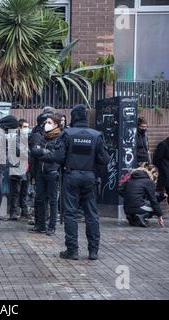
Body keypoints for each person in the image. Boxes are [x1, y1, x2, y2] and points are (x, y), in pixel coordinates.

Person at [44, 105, 109, 261]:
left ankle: (72, 251)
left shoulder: (67, 133)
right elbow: (105, 159)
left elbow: (58, 157)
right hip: (90, 177)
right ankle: (93, 251)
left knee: (70, 214)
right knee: (92, 214)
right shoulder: (96, 135)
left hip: (71, 176)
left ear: (73, 117)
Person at [30, 114, 62, 236]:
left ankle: (52, 226)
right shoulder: (44, 136)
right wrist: (44, 152)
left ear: (56, 125)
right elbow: (34, 150)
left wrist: (42, 152)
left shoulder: (59, 138)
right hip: (41, 172)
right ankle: (40, 225)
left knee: (53, 201)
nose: (46, 124)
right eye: (46, 122)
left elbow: (55, 156)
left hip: (52, 172)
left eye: (49, 122)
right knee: (39, 199)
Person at [8, 118, 31, 220]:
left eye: (28, 127)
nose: (27, 129)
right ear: (19, 128)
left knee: (24, 191)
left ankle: (24, 211)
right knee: (15, 191)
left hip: (26, 168)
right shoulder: (15, 139)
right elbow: (20, 152)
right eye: (25, 127)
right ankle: (13, 212)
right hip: (17, 168)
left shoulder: (27, 138)